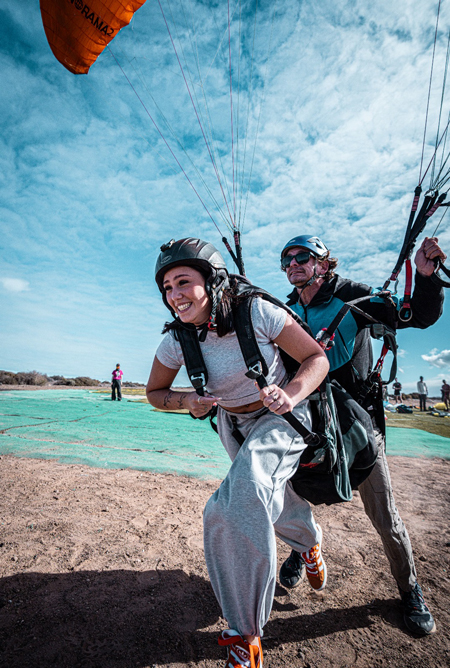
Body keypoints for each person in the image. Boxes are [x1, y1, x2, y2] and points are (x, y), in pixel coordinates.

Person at [146, 237, 330, 668]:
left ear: (210, 281)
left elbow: (315, 359)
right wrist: (185, 402)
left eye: (183, 282)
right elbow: (155, 392)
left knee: (233, 503)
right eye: (167, 287)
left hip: (282, 415)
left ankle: (243, 633)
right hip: (232, 422)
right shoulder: (176, 340)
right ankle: (309, 544)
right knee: (266, 497)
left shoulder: (257, 311)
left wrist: (291, 393)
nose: (174, 294)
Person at [277, 233, 445, 637]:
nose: (293, 263)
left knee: (384, 516)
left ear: (324, 263)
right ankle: (304, 550)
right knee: (294, 497)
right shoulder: (284, 311)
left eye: (303, 256)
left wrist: (426, 277)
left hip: (356, 428)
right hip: (309, 427)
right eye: (287, 259)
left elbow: (415, 315)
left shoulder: (354, 297)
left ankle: (410, 590)